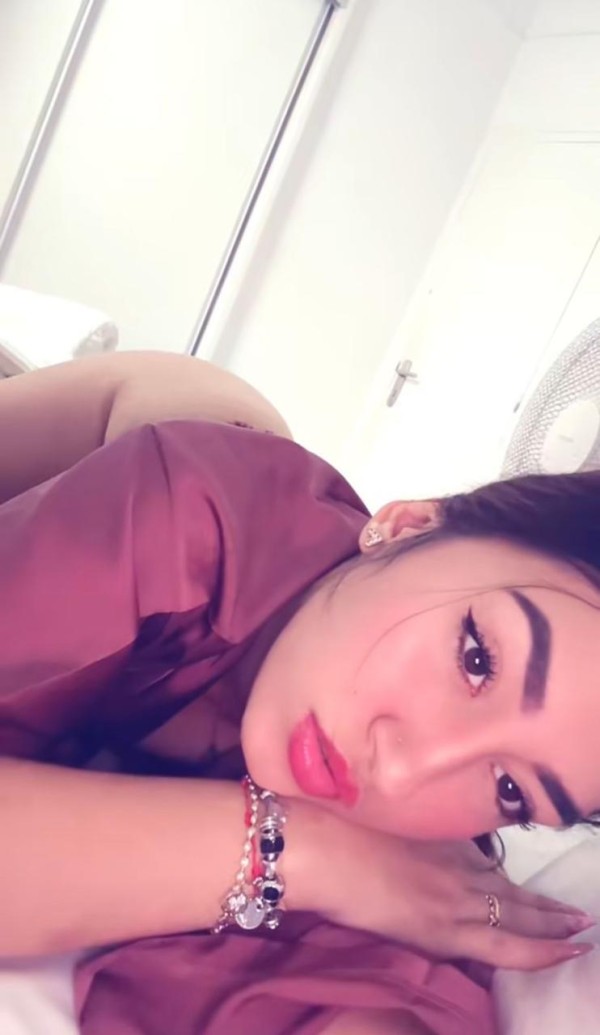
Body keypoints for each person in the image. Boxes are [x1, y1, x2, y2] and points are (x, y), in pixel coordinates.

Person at [0, 351, 597, 1035]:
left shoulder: (424, 833)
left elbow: (350, 990)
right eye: (476, 658)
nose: (406, 768)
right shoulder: (183, 511)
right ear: (409, 525)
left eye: (512, 790)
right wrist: (303, 849)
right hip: (151, 418)